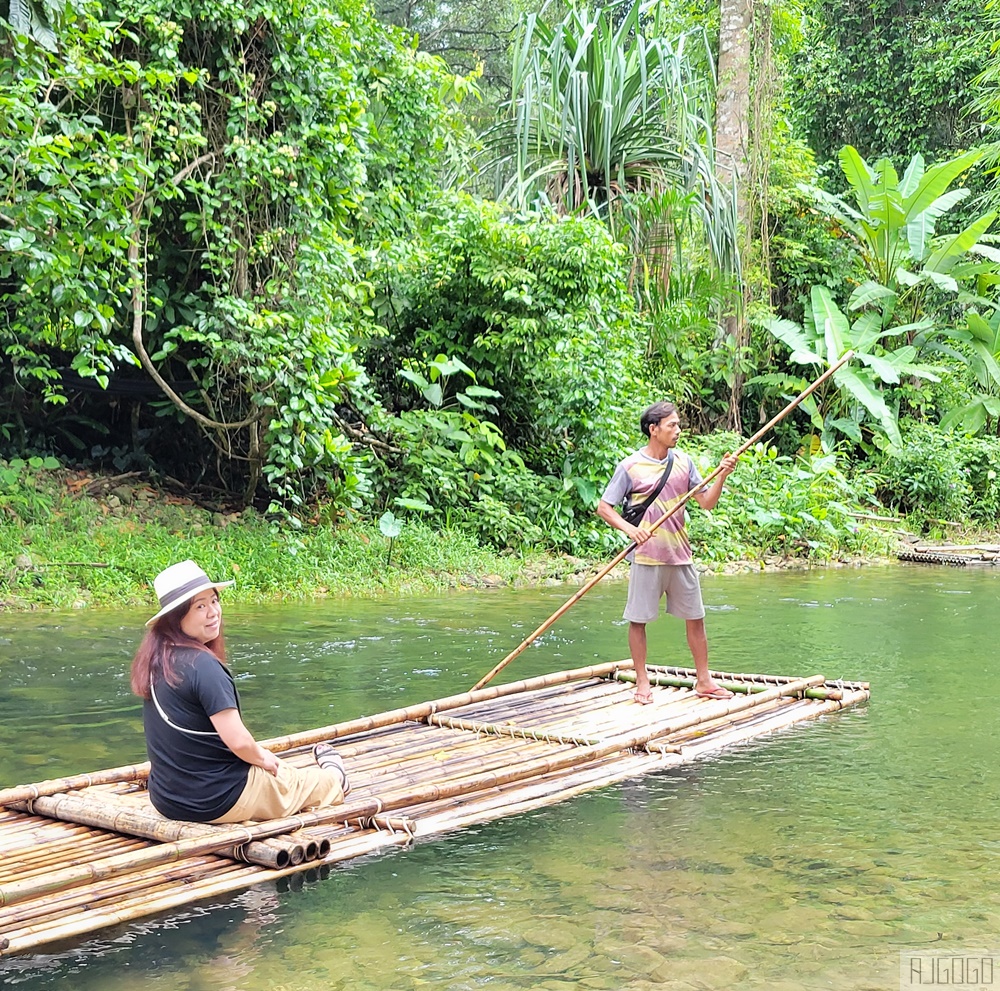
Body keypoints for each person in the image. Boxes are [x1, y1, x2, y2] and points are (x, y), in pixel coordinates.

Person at [130, 559, 349, 823]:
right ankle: (336, 776)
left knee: (282, 772)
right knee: (298, 782)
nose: (213, 612)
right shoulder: (204, 667)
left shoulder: (157, 660)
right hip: (218, 800)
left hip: (168, 800)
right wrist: (264, 760)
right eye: (200, 606)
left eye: (214, 601)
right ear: (176, 618)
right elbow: (239, 742)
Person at [596, 402, 738, 705]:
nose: (678, 430)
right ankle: (642, 683)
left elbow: (706, 503)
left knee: (696, 618)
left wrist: (722, 475)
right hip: (646, 556)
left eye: (678, 425)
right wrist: (631, 531)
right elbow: (604, 508)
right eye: (671, 425)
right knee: (638, 620)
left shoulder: (684, 462)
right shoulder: (630, 466)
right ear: (653, 429)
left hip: (680, 554)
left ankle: (704, 681)